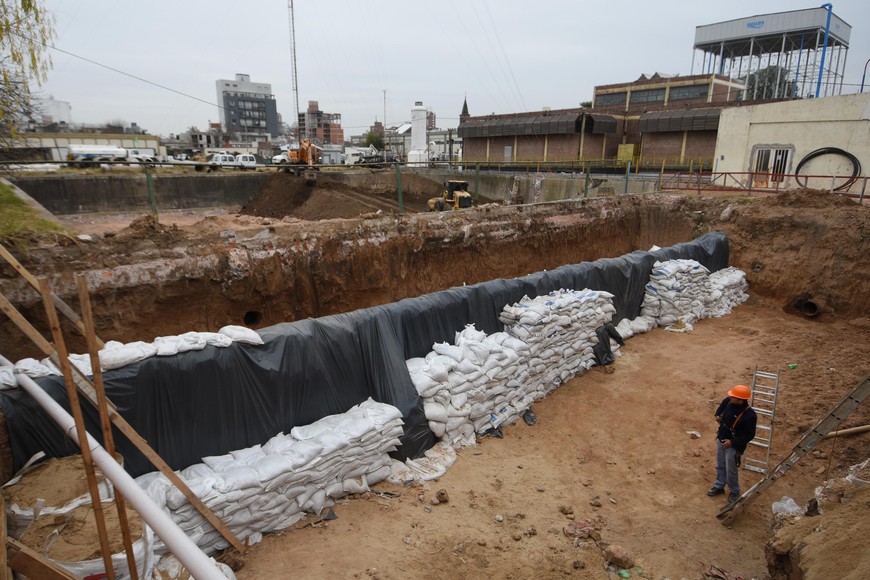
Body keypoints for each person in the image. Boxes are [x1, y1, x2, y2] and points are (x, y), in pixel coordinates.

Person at [707, 384, 757, 503]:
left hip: (734, 446)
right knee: (720, 464)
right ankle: (719, 486)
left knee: (731, 469)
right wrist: (718, 415)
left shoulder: (750, 416)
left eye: (733, 397)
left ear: (740, 400)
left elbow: (749, 435)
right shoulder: (729, 402)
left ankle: (734, 491)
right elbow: (721, 407)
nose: (730, 398)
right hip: (722, 438)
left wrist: (733, 442)